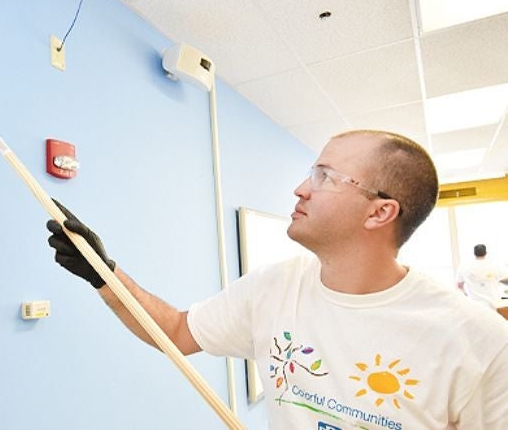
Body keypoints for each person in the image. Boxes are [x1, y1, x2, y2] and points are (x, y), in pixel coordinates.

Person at [47, 130, 508, 430]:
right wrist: (104, 275)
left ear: (380, 212)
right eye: (312, 171)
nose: (301, 188)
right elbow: (176, 332)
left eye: (325, 176)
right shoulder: (276, 287)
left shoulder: (480, 341)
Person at [456, 244, 508, 309]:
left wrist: (465, 295)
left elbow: (459, 285)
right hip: (494, 303)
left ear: (474, 253)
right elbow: (506, 279)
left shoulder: (463, 267)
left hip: (474, 304)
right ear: (486, 253)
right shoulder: (496, 265)